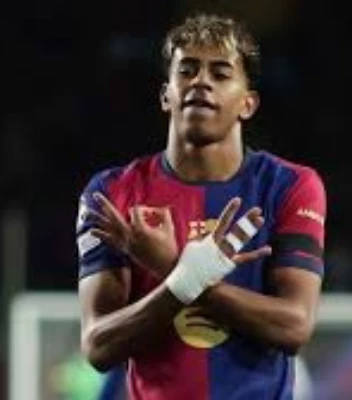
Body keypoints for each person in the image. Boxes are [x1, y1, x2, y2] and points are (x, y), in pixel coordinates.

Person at [76, 13, 326, 400]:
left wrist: (171, 269)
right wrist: (185, 279)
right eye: (187, 70)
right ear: (166, 95)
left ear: (248, 104)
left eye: (220, 73)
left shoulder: (290, 186)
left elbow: (294, 326)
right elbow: (98, 346)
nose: (201, 81)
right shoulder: (112, 192)